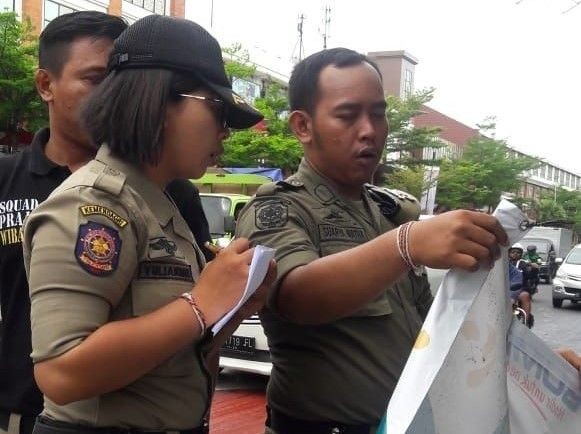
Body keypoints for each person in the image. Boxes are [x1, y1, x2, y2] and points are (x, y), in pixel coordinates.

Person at [22, 15, 274, 434]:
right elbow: (62, 373)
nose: (225, 133)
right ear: (158, 100)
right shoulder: (91, 205)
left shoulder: (158, 203)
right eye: (218, 110)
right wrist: (201, 303)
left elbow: (176, 349)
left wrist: (235, 306)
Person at [235, 47, 508, 434]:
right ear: (302, 126)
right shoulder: (278, 210)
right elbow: (297, 296)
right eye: (348, 116)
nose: (369, 130)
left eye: (378, 114)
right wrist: (406, 244)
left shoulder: (386, 212)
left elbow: (434, 331)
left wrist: (522, 366)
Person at [0, 12, 127, 434]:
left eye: (120, 80)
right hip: (21, 413)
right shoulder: (5, 180)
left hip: (125, 417)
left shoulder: (162, 189)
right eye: (94, 79)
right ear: (45, 85)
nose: (112, 95)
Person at [508, 245, 533, 328]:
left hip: (520, 288)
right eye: (513, 252)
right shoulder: (503, 263)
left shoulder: (523, 264)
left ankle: (526, 321)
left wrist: (532, 269)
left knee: (524, 296)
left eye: (518, 252)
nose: (515, 254)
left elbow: (529, 275)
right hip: (503, 288)